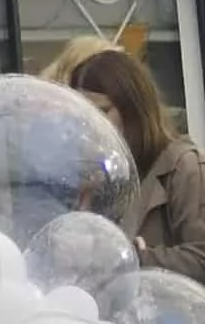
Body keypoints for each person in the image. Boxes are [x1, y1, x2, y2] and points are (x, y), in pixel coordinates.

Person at [70, 46, 205, 283]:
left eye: (102, 111)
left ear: (133, 109)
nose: (91, 124)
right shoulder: (98, 173)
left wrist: (137, 258)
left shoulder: (183, 165)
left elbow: (201, 257)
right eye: (83, 115)